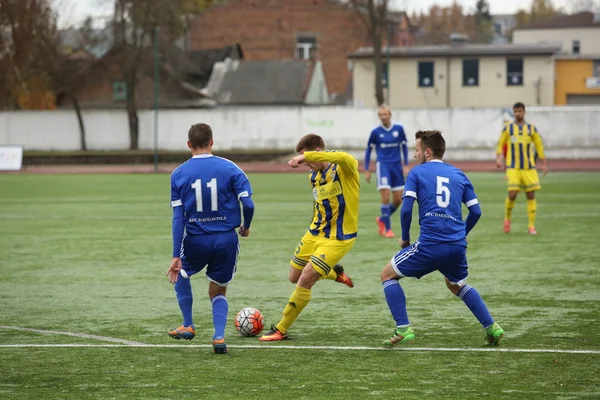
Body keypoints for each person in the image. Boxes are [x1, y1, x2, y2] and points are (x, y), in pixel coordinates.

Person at [379, 130, 504, 347]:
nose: (414, 154)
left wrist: (405, 238)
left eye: (416, 150)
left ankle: (403, 328)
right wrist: (460, 235)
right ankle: (492, 326)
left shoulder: (417, 174)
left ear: (427, 151)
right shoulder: (459, 175)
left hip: (430, 244)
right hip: (456, 246)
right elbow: (476, 212)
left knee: (387, 275)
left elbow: (406, 209)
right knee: (456, 284)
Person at [259, 134, 358, 342]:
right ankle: (335, 274)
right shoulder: (314, 176)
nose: (306, 165)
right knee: (294, 276)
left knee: (306, 279)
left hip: (338, 238)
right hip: (314, 233)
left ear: (318, 153)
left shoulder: (344, 167)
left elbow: (342, 156)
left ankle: (280, 328)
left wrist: (304, 157)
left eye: (307, 160)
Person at [166, 123, 254, 354]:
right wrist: (246, 226)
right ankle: (218, 337)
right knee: (218, 290)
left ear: (188, 144)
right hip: (226, 240)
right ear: (212, 142)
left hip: (196, 239)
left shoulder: (179, 174)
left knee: (182, 273)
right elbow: (249, 203)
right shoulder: (231, 168)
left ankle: (188, 324)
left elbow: (178, 219)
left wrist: (176, 255)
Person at [496, 102, 548, 235]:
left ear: (524, 112)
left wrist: (543, 163)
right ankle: (507, 219)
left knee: (530, 195)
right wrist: (498, 157)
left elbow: (539, 145)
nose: (517, 114)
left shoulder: (531, 128)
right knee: (512, 194)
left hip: (529, 168)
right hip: (513, 168)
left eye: (520, 111)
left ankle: (531, 226)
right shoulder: (508, 128)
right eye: (515, 111)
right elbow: (500, 143)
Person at [364, 105, 409, 238]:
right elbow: (368, 150)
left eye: (385, 114)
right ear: (379, 117)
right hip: (383, 166)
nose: (383, 116)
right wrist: (367, 170)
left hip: (397, 166)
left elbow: (404, 147)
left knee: (398, 200)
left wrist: (406, 165)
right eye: (381, 115)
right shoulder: (375, 132)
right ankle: (388, 229)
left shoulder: (398, 129)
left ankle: (382, 218)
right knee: (385, 195)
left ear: (390, 115)